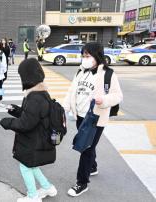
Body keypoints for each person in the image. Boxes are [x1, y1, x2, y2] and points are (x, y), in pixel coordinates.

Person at [63, 42, 123, 197]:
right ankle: (93, 167)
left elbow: (118, 96)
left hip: (95, 118)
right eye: (83, 56)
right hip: (80, 116)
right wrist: (65, 108)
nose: (85, 59)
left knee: (86, 148)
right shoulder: (81, 71)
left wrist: (103, 99)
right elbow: (72, 91)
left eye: (88, 56)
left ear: (97, 56)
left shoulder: (108, 74)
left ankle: (82, 183)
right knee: (89, 144)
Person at [0, 58, 57, 202]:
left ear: (27, 76)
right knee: (32, 165)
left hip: (33, 140)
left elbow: (25, 124)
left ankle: (33, 196)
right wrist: (15, 110)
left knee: (26, 167)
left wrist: (7, 122)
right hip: (37, 138)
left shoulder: (34, 97)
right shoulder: (40, 93)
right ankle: (48, 188)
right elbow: (31, 116)